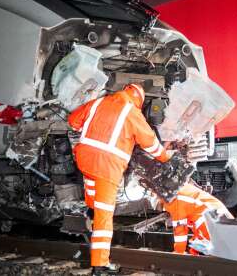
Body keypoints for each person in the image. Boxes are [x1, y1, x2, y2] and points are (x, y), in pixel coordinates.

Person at [68, 83, 172, 275]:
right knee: (104, 216)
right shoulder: (132, 112)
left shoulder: (99, 102)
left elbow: (73, 121)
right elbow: (150, 143)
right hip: (107, 168)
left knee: (92, 190)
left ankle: (89, 211)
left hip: (85, 161)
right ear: (139, 100)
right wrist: (166, 158)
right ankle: (99, 266)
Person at [161, 180, 233, 255]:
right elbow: (197, 224)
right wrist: (193, 251)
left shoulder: (175, 201)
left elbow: (180, 231)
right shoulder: (181, 189)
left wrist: (178, 253)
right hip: (222, 220)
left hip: (216, 224)